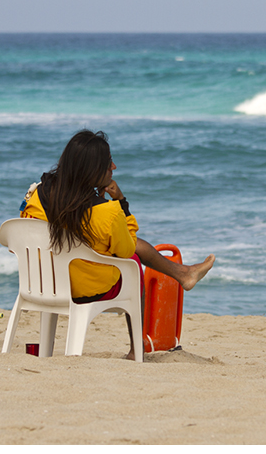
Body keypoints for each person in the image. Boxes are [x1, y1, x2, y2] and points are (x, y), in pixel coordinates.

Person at [20, 129, 214, 357]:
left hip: (43, 284)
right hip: (84, 288)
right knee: (132, 261)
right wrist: (121, 202)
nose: (114, 167)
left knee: (102, 245)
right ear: (93, 170)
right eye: (109, 162)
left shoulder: (36, 195)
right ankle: (136, 347)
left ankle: (183, 274)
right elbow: (127, 247)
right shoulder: (106, 212)